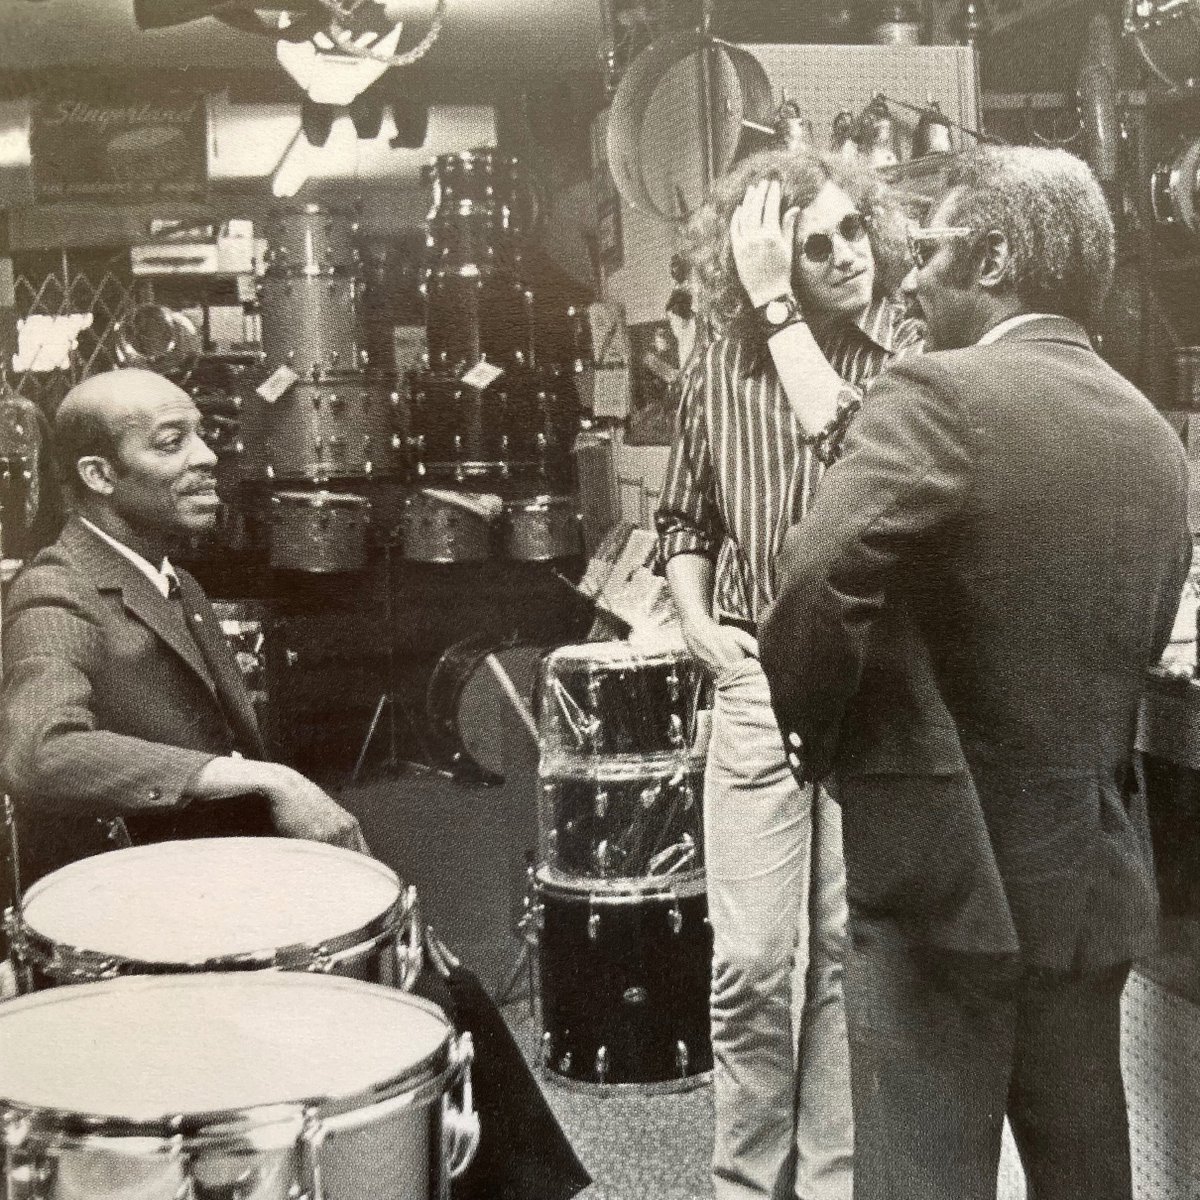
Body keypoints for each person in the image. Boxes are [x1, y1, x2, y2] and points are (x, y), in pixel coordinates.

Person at [759, 145, 1192, 1200]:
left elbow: (817, 577)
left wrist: (820, 737)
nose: (907, 278)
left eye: (931, 253)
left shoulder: (939, 392)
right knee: (1085, 1164)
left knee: (924, 1176)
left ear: (994, 258)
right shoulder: (1157, 440)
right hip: (1086, 870)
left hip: (945, 874)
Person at [655, 146, 923, 1200]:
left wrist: (788, 312)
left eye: (855, 231)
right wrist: (691, 618)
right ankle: (744, 1185)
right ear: (768, 264)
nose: (848, 256)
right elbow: (685, 514)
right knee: (755, 963)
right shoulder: (720, 366)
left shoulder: (905, 347)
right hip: (758, 678)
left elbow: (876, 470)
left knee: (847, 955)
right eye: (816, 246)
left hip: (872, 683)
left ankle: (829, 1184)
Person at [1, 368, 367, 886]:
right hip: (138, 906)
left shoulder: (178, 581)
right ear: (99, 475)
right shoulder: (57, 589)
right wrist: (269, 779)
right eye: (172, 443)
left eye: (202, 435)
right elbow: (38, 753)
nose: (207, 457)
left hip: (211, 876)